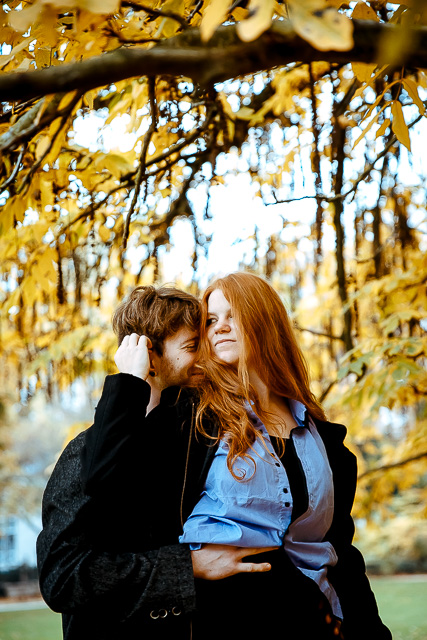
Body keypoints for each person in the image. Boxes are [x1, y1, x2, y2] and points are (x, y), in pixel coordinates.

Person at [37, 284, 273, 640]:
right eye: (193, 347)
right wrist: (187, 566)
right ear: (149, 353)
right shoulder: (83, 452)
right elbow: (63, 578)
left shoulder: (201, 436)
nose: (206, 357)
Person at [179, 272, 392, 640]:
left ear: (264, 319)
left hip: (322, 620)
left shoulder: (320, 433)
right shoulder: (197, 418)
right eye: (211, 320)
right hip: (233, 620)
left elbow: (339, 546)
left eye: (233, 315)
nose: (219, 328)